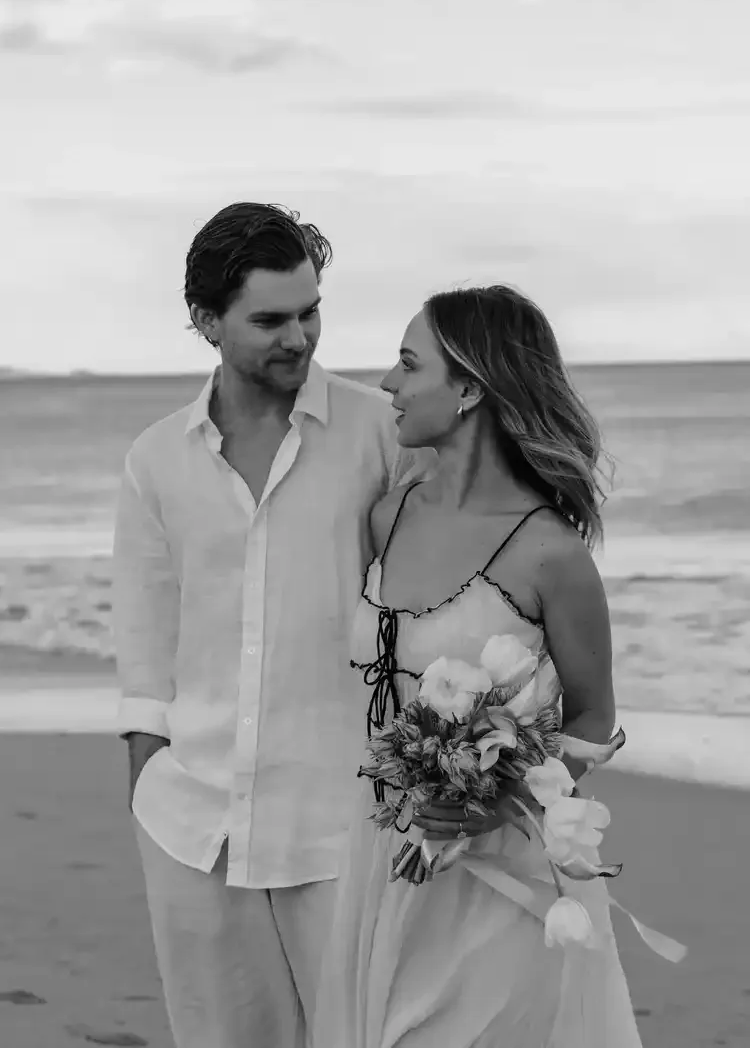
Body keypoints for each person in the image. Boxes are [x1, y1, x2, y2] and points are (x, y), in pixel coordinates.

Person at [113, 202, 429, 1048]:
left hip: (346, 820)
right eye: (270, 320)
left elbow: (436, 600)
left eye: (309, 311)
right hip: (194, 824)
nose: (300, 337)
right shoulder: (156, 458)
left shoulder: (382, 434)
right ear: (206, 321)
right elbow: (145, 630)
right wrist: (147, 774)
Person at [313, 284, 650, 1048]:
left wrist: (499, 797)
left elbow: (594, 716)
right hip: (382, 856)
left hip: (501, 875)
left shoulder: (550, 552)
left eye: (408, 364)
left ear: (468, 387)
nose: (388, 384)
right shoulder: (388, 515)